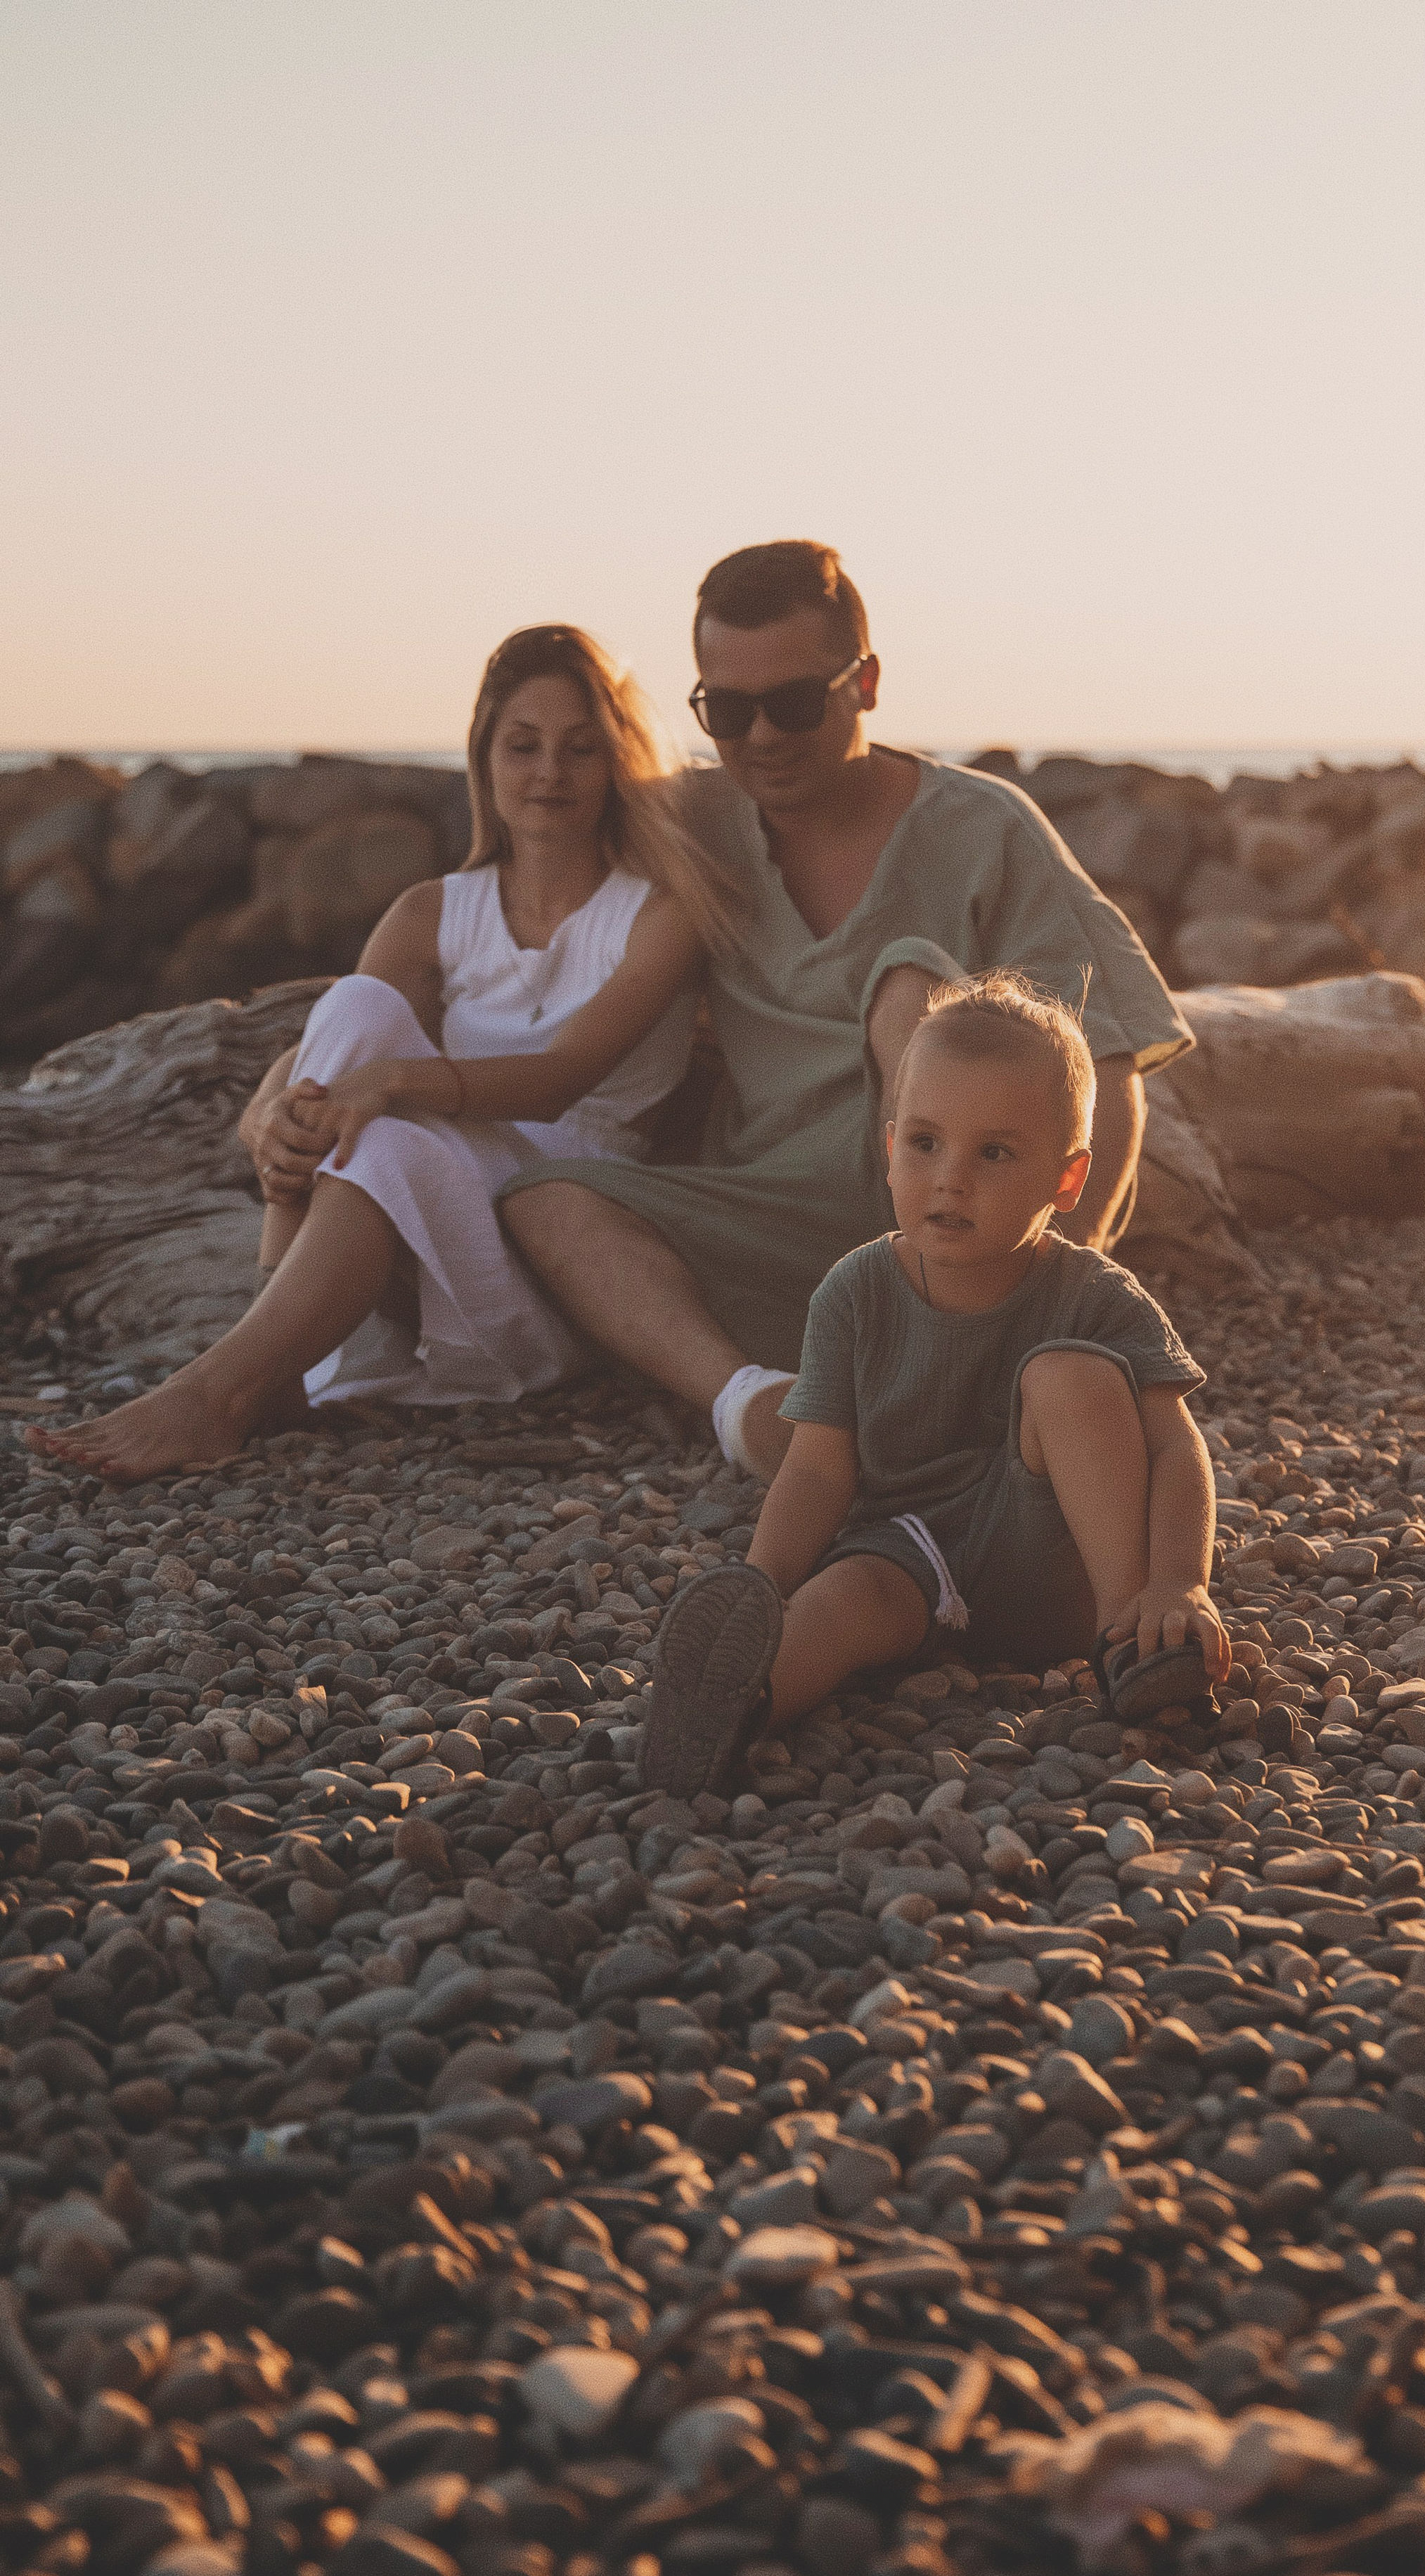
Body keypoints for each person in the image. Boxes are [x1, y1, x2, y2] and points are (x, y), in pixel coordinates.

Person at [499, 540, 1194, 1482]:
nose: (761, 738)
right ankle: (756, 1407)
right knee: (548, 1201)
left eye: (792, 703)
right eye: (728, 711)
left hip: (948, 1207)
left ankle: (960, 1354)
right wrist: (331, 1051)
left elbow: (1105, 1066)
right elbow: (498, 906)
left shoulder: (985, 830)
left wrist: (1053, 1296)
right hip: (766, 1207)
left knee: (907, 978)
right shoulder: (690, 824)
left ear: (863, 683)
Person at [29, 624, 725, 1483]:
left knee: (388, 1129)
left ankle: (218, 1389)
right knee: (360, 1011)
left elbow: (558, 1082)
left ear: (617, 760)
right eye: (524, 745)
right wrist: (273, 1100)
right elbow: (344, 1042)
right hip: (433, 1230)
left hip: (570, 1248)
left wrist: (391, 1080)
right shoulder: (433, 911)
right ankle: (266, 1369)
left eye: (580, 749)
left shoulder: (659, 916)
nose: (551, 773)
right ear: (484, 757)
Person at [637, 972, 1227, 1805]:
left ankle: (1131, 1644)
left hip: (1063, 1567)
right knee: (841, 1599)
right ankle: (739, 1702)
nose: (951, 1179)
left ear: (1065, 1181)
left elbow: (1174, 1445)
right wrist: (763, 1582)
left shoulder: (1097, 1297)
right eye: (925, 1144)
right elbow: (815, 1470)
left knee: (1069, 1376)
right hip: (913, 1553)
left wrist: (1178, 1583)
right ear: (888, 1151)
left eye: (993, 1153)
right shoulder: (854, 1292)